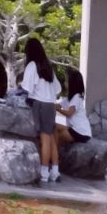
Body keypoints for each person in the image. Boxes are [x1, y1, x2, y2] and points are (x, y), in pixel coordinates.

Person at [22, 37, 62, 183]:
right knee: (50, 138)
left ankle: (44, 173)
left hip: (39, 104)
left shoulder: (32, 65)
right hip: (50, 105)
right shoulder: (48, 66)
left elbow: (27, 88)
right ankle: (55, 171)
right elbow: (58, 89)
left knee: (45, 139)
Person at [54, 68, 92, 146]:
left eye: (66, 81)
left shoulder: (77, 97)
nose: (64, 83)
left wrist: (58, 109)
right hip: (74, 129)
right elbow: (57, 105)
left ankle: (53, 152)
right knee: (53, 126)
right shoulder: (68, 99)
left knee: (57, 136)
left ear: (73, 84)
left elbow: (69, 113)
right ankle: (54, 151)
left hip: (81, 132)